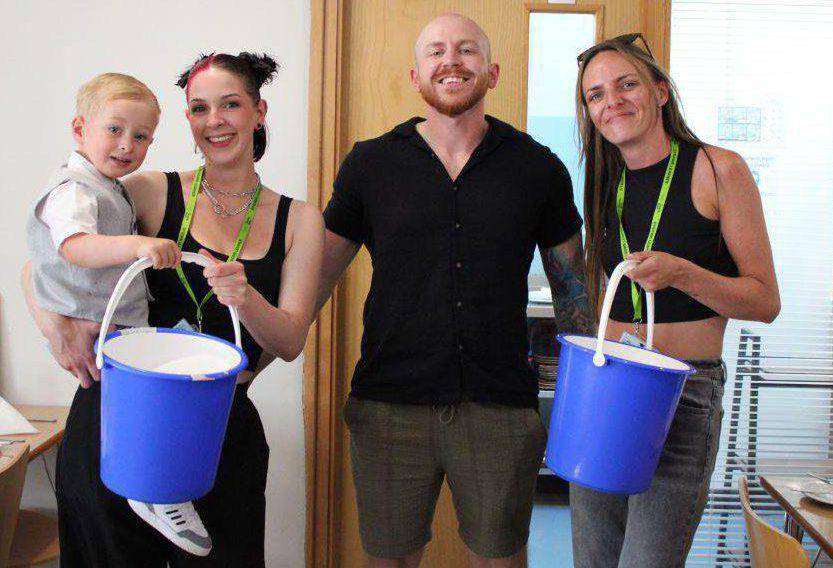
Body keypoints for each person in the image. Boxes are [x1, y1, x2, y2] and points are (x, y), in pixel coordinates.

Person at [23, 52, 324, 566]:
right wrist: (56, 330)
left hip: (220, 432)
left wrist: (245, 297)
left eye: (230, 104)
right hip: (119, 419)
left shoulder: (300, 220)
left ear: (258, 111)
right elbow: (41, 265)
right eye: (199, 108)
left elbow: (291, 341)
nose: (215, 121)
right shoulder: (146, 190)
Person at [317, 14, 592, 568]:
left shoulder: (538, 167)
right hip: (387, 403)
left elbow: (573, 294)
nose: (452, 60)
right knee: (388, 560)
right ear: (416, 76)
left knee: (501, 559)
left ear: (491, 73)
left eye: (467, 50)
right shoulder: (369, 164)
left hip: (500, 408)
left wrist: (585, 401)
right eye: (437, 51)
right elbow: (313, 280)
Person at [569, 33, 780, 568]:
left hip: (683, 392)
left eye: (626, 84)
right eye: (595, 95)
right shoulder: (604, 178)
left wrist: (684, 274)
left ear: (661, 91)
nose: (611, 101)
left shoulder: (718, 169)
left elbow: (764, 301)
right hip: (609, 384)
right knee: (594, 559)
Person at [24, 71, 218, 556]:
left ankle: (155, 490)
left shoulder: (108, 187)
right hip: (102, 327)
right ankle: (152, 493)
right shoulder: (74, 189)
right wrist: (139, 246)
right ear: (78, 129)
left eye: (142, 136)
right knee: (141, 411)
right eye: (114, 129)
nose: (128, 144)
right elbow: (74, 247)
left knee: (155, 390)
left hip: (120, 326)